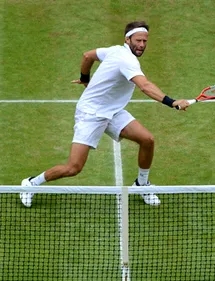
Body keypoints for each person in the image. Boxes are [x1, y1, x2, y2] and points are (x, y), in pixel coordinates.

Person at [20, 21, 191, 207]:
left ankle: (141, 183)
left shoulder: (115, 50)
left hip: (113, 111)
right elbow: (145, 86)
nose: (142, 45)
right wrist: (172, 102)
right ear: (128, 39)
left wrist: (85, 78)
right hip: (91, 113)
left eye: (145, 41)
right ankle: (30, 183)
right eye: (138, 40)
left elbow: (88, 56)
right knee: (73, 167)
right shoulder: (127, 60)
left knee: (147, 140)